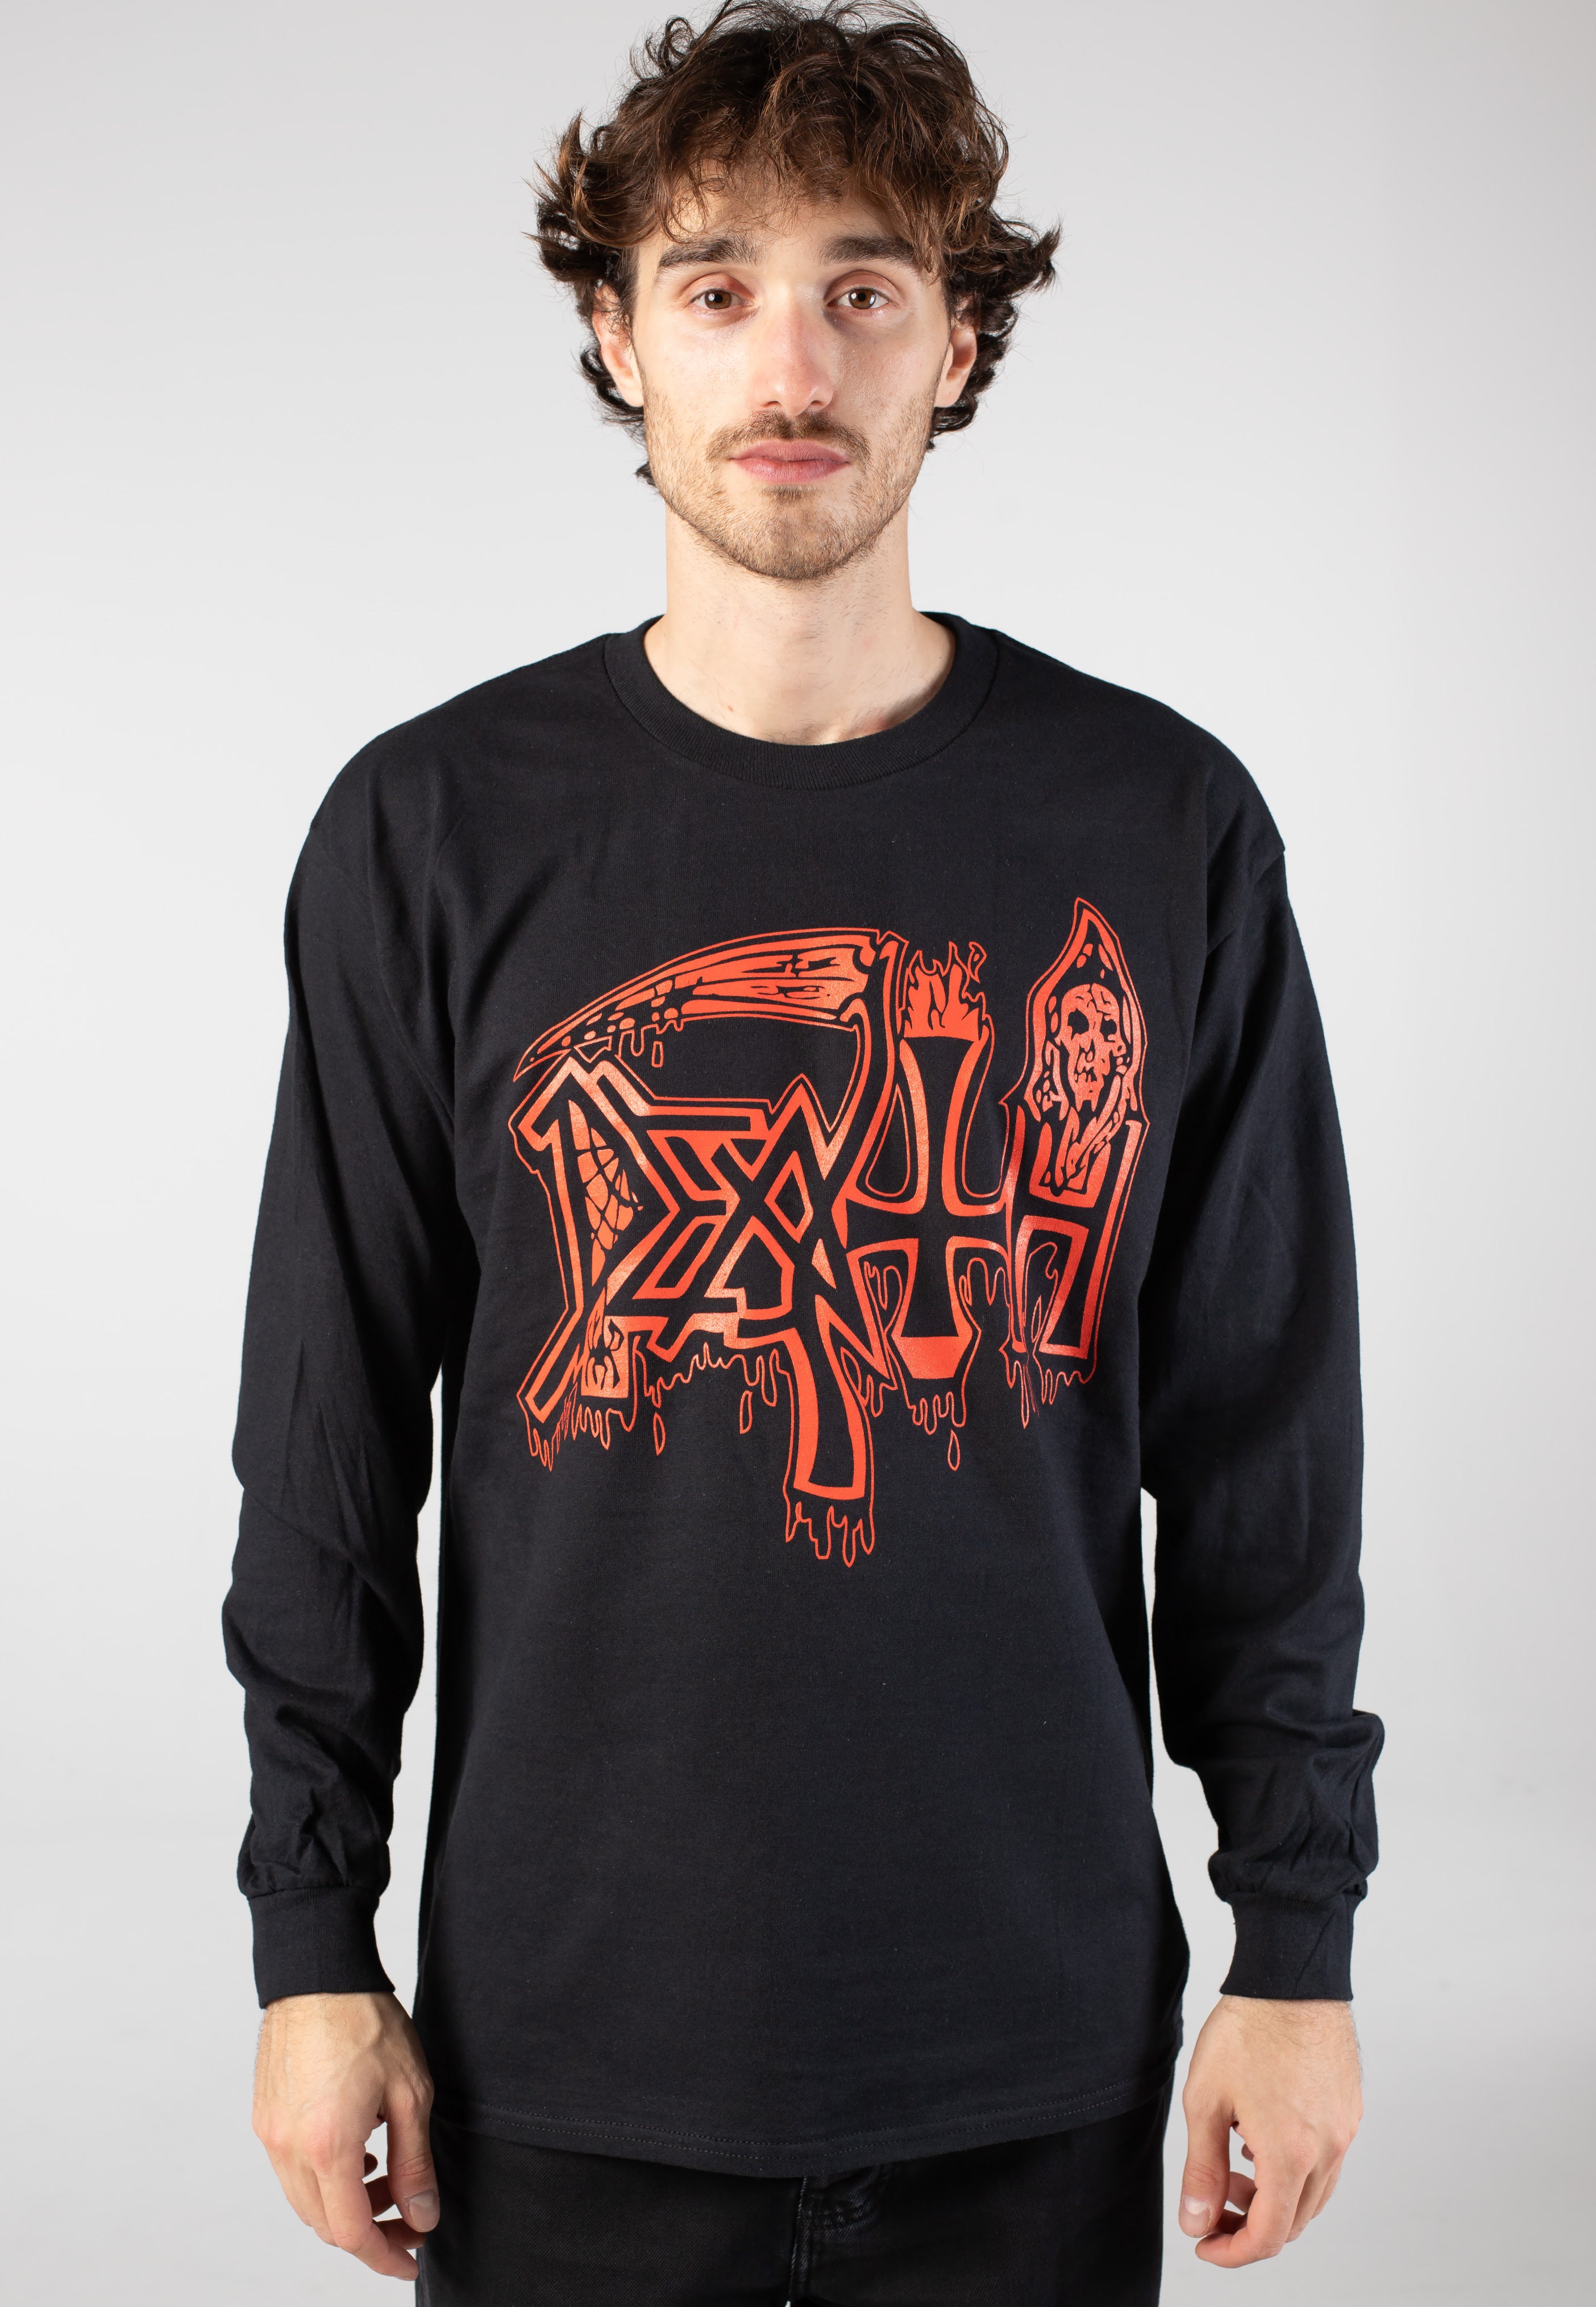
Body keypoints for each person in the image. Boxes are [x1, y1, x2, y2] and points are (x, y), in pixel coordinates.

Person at [225, 5, 1383, 2299]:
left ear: (961, 341)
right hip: (568, 2044)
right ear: (615, 333)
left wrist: (1300, 1937)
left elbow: (1268, 1433)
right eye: (716, 284)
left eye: (864, 286)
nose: (792, 364)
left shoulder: (1159, 830)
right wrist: (308, 1942)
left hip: (1030, 2037)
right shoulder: (432, 835)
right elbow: (329, 1434)